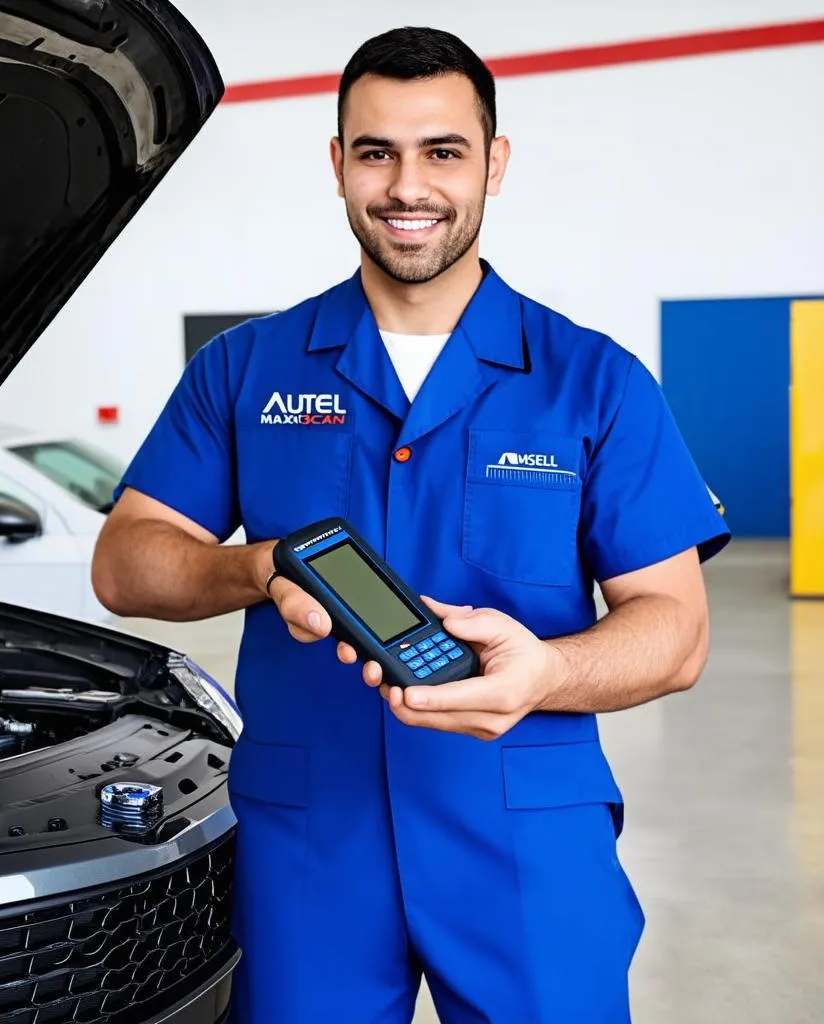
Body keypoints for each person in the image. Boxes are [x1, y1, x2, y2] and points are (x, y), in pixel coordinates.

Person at [92, 25, 730, 1024]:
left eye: (442, 150)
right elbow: (128, 562)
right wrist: (262, 567)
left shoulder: (595, 381)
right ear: (338, 163)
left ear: (493, 163)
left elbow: (675, 628)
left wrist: (549, 673)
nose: (406, 186)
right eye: (376, 151)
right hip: (312, 834)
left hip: (524, 819)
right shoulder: (246, 368)